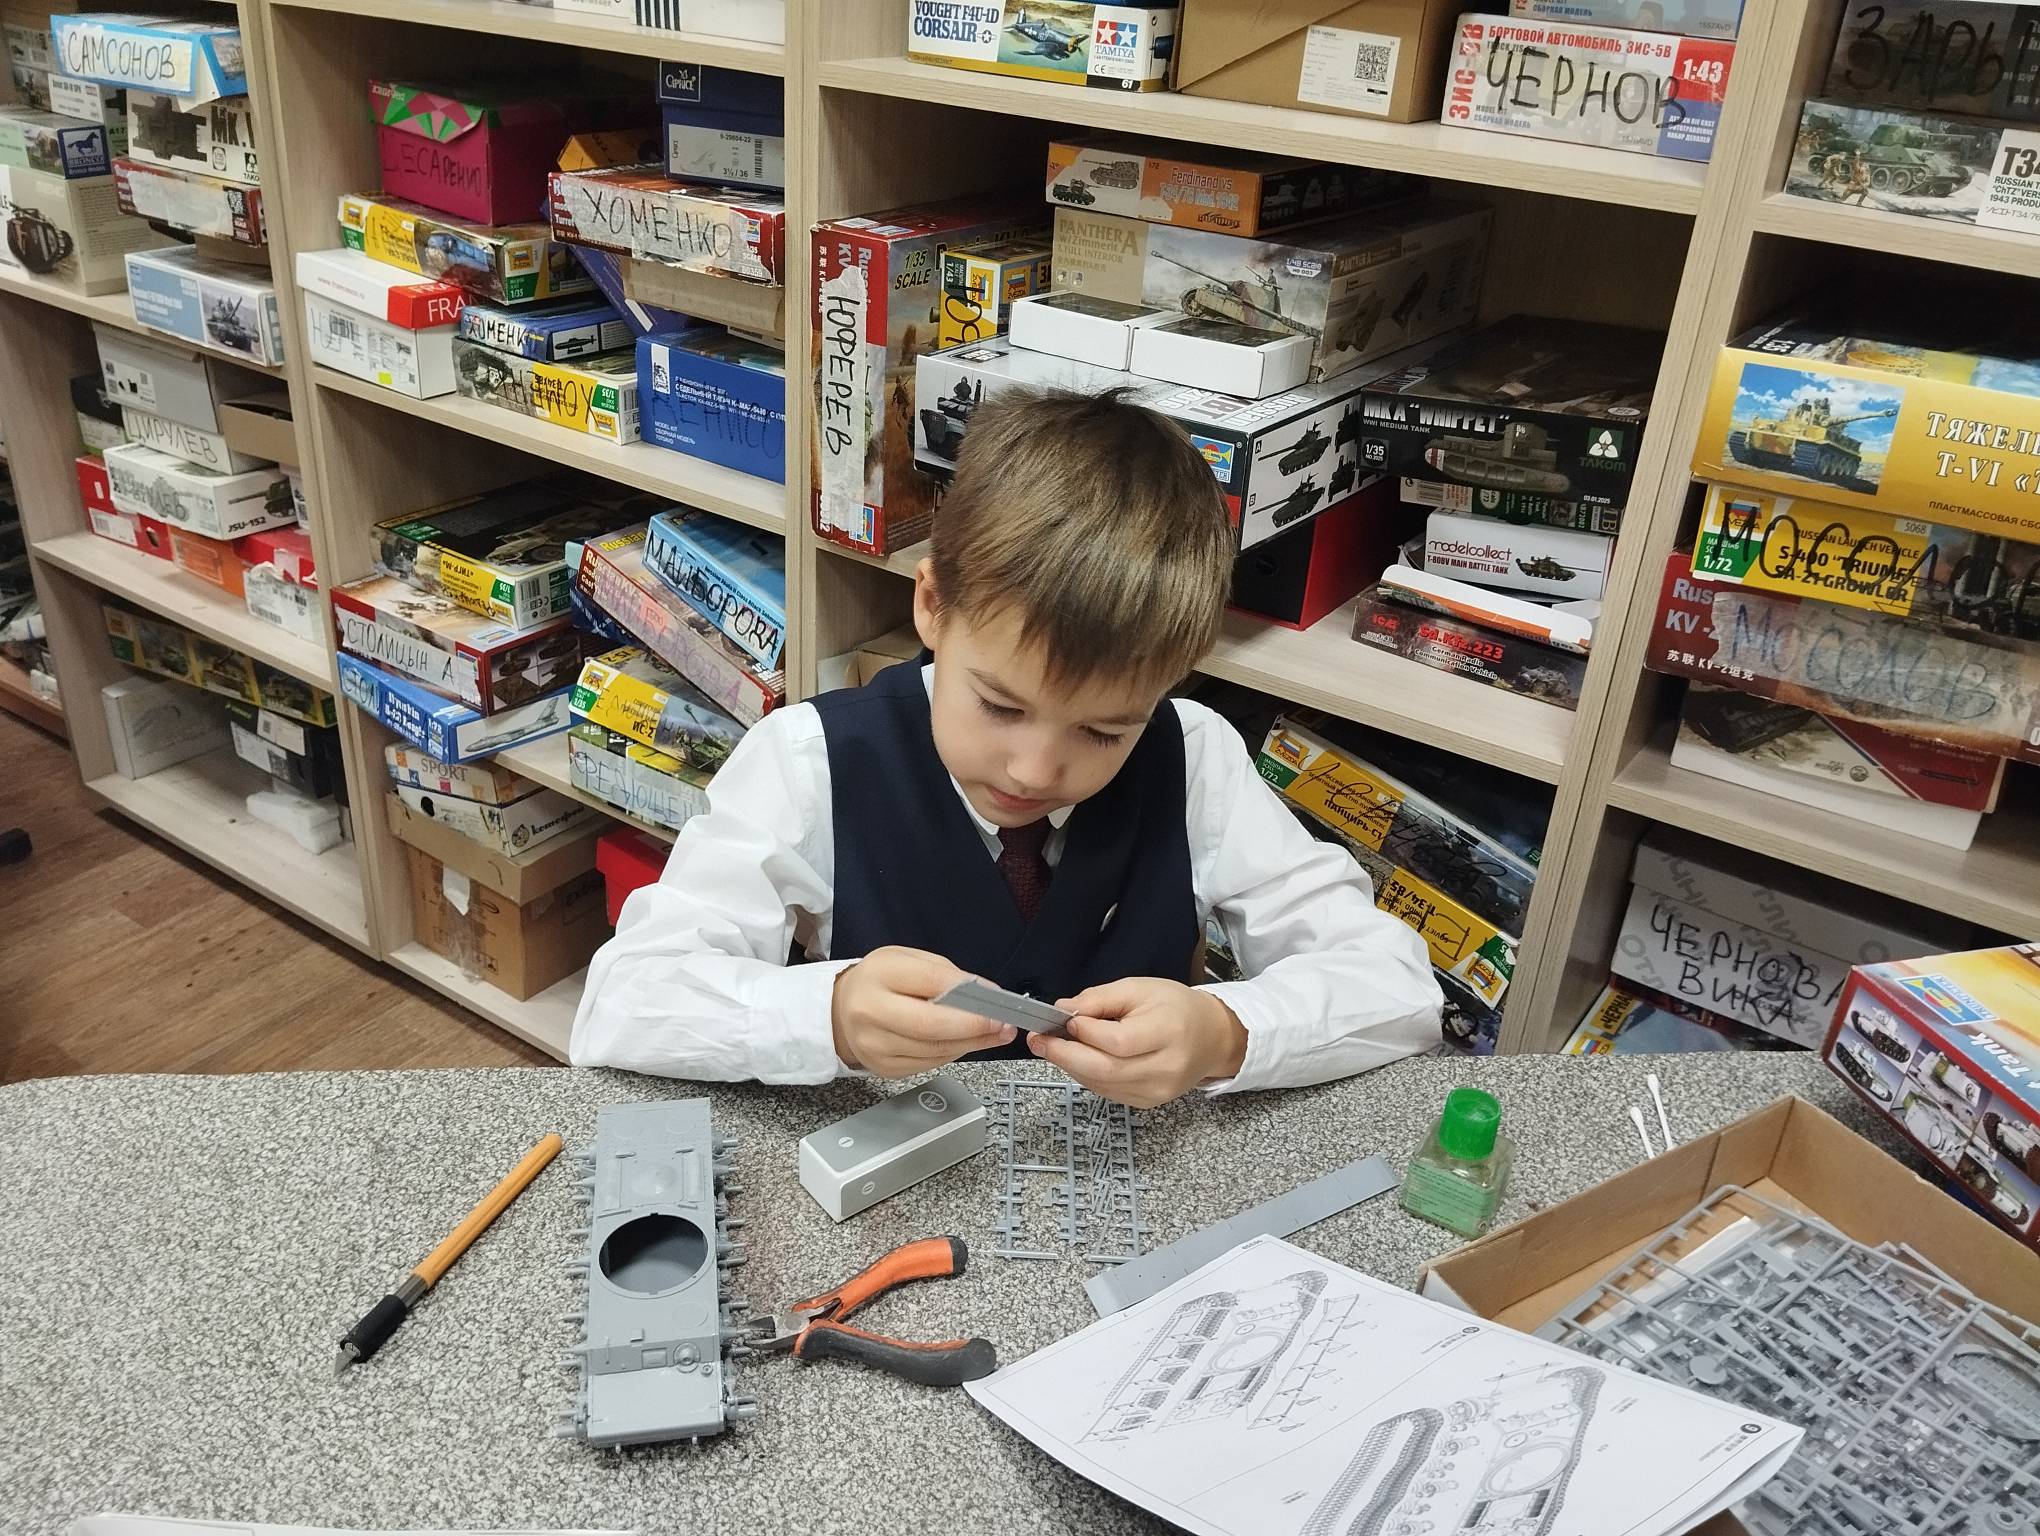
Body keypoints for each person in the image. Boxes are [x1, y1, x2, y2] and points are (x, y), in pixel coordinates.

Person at [571, 389, 1443, 1106]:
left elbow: (1398, 989)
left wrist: (1226, 1033)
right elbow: (622, 1005)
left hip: (1124, 1184)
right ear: (932, 606)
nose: (1035, 770)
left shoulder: (1195, 759)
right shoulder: (808, 762)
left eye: (1104, 730)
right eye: (999, 706)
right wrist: (826, 1016)